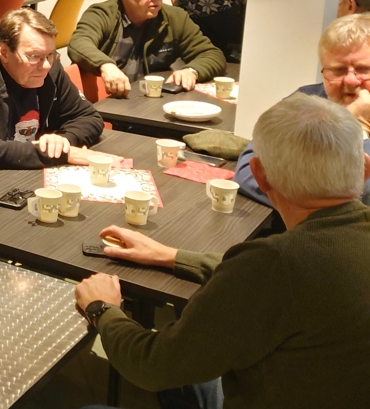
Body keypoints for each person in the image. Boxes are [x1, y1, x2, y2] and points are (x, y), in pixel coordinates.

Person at [75, 94, 370, 409]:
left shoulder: (275, 263)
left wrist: (103, 310)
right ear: (365, 167)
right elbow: (265, 281)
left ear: (259, 174)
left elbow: (152, 365)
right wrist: (170, 255)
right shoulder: (300, 258)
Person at [0, 9, 108, 169]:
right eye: (34, 56)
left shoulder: (49, 67)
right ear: (4, 52)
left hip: (23, 169)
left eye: (50, 55)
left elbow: (89, 117)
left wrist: (61, 142)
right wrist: (59, 154)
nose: (46, 65)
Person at [234, 14, 370, 207]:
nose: (350, 80)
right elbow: (248, 173)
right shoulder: (305, 100)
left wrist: (358, 128)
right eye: (338, 70)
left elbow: (362, 199)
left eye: (364, 69)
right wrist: (348, 120)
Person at [69, 0, 225, 97]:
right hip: (105, 102)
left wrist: (191, 71)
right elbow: (79, 43)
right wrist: (105, 65)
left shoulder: (174, 18)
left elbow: (212, 54)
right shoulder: (102, 14)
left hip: (150, 101)